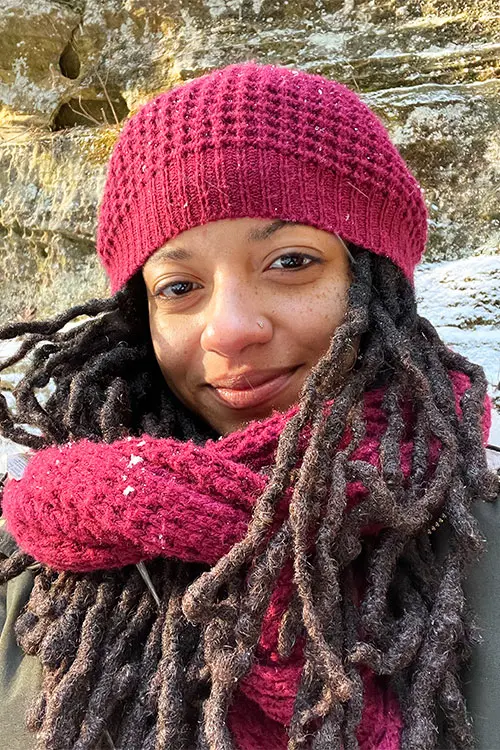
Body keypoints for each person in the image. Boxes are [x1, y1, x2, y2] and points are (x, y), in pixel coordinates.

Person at [0, 61, 498, 750]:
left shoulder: (483, 540)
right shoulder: (27, 568)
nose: (230, 329)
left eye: (291, 262)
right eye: (179, 286)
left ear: (378, 287)